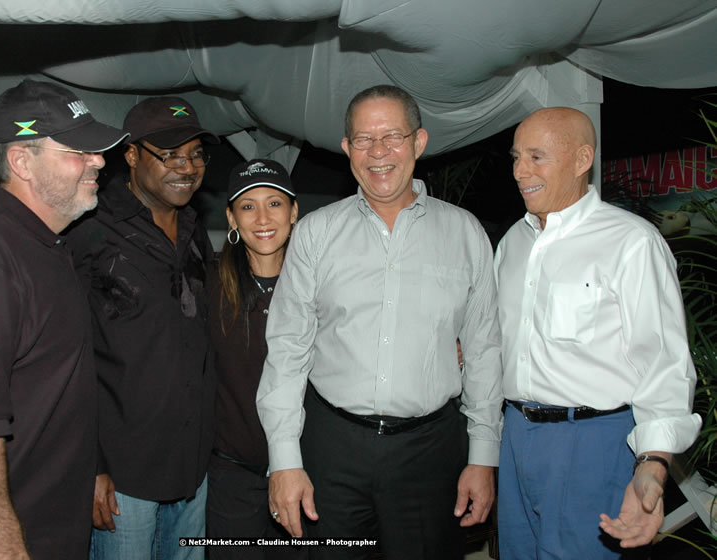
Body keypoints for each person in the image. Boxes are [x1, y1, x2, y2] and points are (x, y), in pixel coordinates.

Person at [256, 84, 503, 560]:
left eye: (392, 136)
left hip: (430, 454)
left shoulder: (465, 233)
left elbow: (483, 350)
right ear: (347, 148)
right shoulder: (315, 234)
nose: (378, 152)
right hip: (332, 450)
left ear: (419, 142)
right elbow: (287, 351)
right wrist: (284, 460)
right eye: (364, 139)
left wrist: (483, 456)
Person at [0, 79, 127, 559]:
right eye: (79, 151)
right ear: (21, 162)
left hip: (61, 530)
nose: (99, 161)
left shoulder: (49, 245)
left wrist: (92, 467)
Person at [495, 106, 702, 558]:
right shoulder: (512, 243)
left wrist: (653, 464)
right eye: (516, 157)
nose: (519, 171)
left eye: (536, 157)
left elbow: (664, 362)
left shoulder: (631, 241)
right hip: (515, 437)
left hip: (593, 441)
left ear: (582, 158)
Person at [66, 96, 217, 560]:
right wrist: (91, 465)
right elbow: (66, 357)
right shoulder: (90, 229)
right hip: (123, 475)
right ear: (131, 155)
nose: (186, 167)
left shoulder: (194, 230)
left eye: (195, 154)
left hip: (192, 466)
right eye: (169, 155)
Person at [206, 159, 304, 560]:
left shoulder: (320, 284)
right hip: (232, 477)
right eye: (248, 206)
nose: (262, 218)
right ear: (231, 218)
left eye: (274, 203)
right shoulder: (207, 284)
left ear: (294, 212)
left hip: (304, 472)